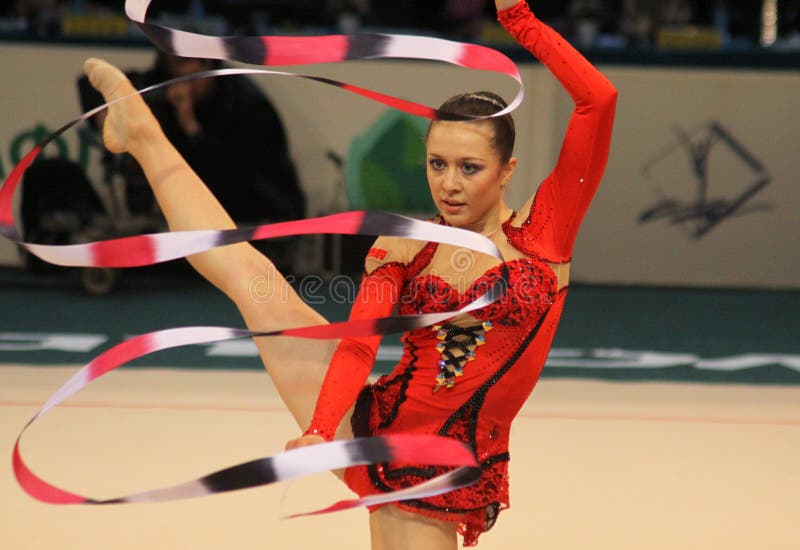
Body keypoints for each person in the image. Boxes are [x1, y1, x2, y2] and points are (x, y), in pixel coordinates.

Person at [83, 0, 616, 547]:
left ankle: (141, 135)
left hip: (457, 453)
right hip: (390, 442)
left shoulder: (546, 232)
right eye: (437, 164)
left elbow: (598, 100)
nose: (449, 184)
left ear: (507, 171)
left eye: (469, 168)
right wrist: (320, 429)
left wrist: (520, 20)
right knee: (245, 271)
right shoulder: (407, 247)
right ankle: (143, 133)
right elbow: (358, 346)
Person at [78, 51, 305, 271]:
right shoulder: (164, 84)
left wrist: (191, 126)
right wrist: (104, 114)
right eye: (177, 76)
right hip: (197, 213)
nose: (185, 87)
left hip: (256, 208)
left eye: (193, 79)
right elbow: (88, 84)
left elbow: (237, 176)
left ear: (207, 69)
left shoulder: (246, 103)